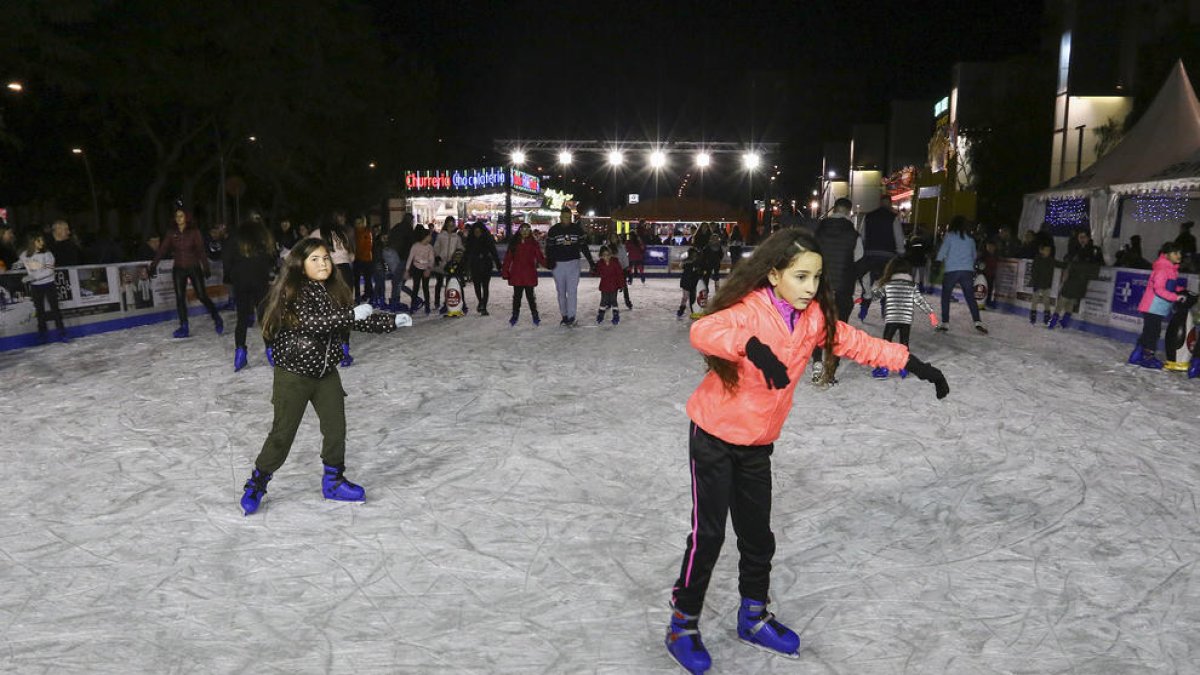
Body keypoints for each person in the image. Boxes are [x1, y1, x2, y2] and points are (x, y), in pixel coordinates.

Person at [664, 228, 949, 674]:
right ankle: (682, 624)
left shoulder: (813, 319)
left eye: (816, 277)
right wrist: (751, 347)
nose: (810, 287)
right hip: (714, 437)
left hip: (757, 444)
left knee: (758, 537)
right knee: (710, 535)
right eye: (800, 277)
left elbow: (856, 343)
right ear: (774, 274)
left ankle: (753, 615)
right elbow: (705, 330)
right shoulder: (749, 309)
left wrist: (913, 363)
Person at [238, 238, 412, 515]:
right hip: (293, 374)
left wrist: (391, 321)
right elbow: (309, 323)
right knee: (282, 434)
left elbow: (354, 319)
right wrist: (350, 316)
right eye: (315, 259)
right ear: (300, 264)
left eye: (326, 258)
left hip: (325, 373)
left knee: (336, 428)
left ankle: (333, 481)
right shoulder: (292, 291)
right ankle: (257, 482)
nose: (323, 264)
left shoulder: (332, 290)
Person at [150, 208, 223, 338]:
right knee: (180, 297)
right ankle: (184, 326)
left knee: (201, 295)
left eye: (181, 216)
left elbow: (201, 251)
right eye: (177, 216)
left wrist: (206, 267)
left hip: (193, 267)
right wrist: (153, 265)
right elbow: (162, 249)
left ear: (186, 218)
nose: (178, 218)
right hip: (178, 269)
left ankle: (216, 317)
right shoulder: (172, 233)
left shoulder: (194, 232)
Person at [811, 197, 860, 383]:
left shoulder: (819, 231)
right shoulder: (854, 235)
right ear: (848, 212)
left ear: (834, 209)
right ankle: (830, 371)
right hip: (843, 289)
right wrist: (866, 289)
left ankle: (817, 362)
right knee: (839, 329)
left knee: (818, 325)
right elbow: (860, 261)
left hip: (820, 287)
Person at [867, 256, 938, 377]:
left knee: (886, 343)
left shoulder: (888, 284)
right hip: (906, 319)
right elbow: (920, 301)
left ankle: (883, 368)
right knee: (904, 344)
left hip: (892, 318)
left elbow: (875, 296)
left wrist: (866, 297)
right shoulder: (912, 285)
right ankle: (904, 368)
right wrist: (930, 313)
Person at [224, 221, 277, 371]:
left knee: (241, 318)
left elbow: (227, 260)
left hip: (240, 280)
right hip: (259, 279)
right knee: (264, 317)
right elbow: (271, 258)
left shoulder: (235, 238)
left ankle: (240, 352)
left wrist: (231, 275)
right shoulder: (262, 237)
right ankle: (271, 350)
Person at [1128, 241, 1189, 369]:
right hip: (1152, 307)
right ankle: (1148, 357)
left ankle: (1137, 355)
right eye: (1175, 253)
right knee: (1153, 333)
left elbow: (1169, 286)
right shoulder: (1162, 269)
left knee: (1148, 332)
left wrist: (1180, 290)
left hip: (1158, 308)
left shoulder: (1171, 270)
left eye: (1180, 253)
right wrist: (1176, 297)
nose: (1179, 256)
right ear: (1166, 255)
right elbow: (1159, 289)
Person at [934, 216, 987, 334]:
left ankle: (945, 323)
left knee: (946, 297)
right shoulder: (970, 239)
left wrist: (937, 262)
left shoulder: (950, 236)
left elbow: (943, 251)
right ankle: (977, 321)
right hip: (967, 271)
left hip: (952, 271)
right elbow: (974, 255)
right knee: (970, 297)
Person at [856, 194, 906, 320]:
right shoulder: (893, 218)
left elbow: (862, 236)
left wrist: (863, 252)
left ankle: (863, 311)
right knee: (886, 285)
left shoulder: (868, 216)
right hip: (888, 257)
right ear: (890, 203)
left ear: (880, 203)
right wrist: (901, 253)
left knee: (867, 286)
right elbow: (899, 237)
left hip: (870, 255)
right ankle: (885, 310)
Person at [545, 207, 596, 326]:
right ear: (560, 217)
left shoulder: (577, 229)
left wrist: (591, 261)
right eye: (564, 217)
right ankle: (564, 315)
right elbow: (549, 247)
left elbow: (583, 246)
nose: (566, 219)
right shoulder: (554, 230)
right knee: (561, 292)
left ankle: (571, 316)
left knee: (572, 291)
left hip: (573, 263)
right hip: (558, 264)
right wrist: (550, 260)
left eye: (568, 217)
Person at [17, 232, 68, 343]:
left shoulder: (47, 254)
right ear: (32, 241)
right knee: (40, 311)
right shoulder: (24, 255)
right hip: (35, 287)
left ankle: (61, 331)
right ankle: (42, 333)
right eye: (38, 240)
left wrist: (33, 277)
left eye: (42, 240)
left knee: (55, 309)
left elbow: (49, 271)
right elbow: (19, 264)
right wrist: (9, 267)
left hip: (49, 284)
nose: (42, 242)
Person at [1048, 230, 1105, 329]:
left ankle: (1056, 322)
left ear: (1088, 238)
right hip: (1073, 278)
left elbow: (1099, 264)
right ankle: (1061, 322)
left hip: (1080, 280)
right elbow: (1068, 260)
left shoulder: (1094, 250)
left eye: (1083, 237)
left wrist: (1087, 272)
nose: (1081, 239)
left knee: (1065, 300)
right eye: (1080, 237)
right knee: (1068, 301)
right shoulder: (1075, 248)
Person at [500, 222, 545, 326]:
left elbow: (540, 258)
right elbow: (508, 258)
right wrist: (505, 271)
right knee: (517, 297)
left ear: (530, 231)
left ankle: (535, 315)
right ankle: (515, 315)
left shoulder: (533, 243)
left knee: (531, 297)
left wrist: (549, 264)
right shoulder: (514, 243)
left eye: (527, 230)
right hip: (517, 275)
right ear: (519, 231)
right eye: (523, 230)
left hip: (529, 275)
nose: (525, 232)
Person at [465, 221, 502, 316]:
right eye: (475, 232)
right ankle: (481, 302)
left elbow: (493, 251)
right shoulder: (470, 240)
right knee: (477, 285)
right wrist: (464, 265)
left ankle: (483, 306)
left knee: (485, 286)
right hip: (475, 265)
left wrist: (498, 264)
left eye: (478, 232)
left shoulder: (487, 239)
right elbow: (466, 253)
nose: (477, 234)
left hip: (486, 265)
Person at [433, 216, 464, 313]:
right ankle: (437, 301)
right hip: (441, 262)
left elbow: (460, 248)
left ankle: (447, 302)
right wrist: (437, 256)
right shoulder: (441, 236)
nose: (451, 227)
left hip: (451, 264)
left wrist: (458, 257)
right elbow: (436, 247)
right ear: (446, 225)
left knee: (449, 283)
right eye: (449, 225)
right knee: (439, 282)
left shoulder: (457, 237)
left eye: (452, 225)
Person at [404, 225, 435, 315]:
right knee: (416, 287)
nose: (430, 237)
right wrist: (407, 270)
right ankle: (413, 305)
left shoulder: (430, 247)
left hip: (426, 268)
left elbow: (431, 259)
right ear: (425, 237)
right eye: (429, 236)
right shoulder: (415, 246)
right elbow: (410, 258)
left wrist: (428, 269)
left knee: (426, 288)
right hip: (416, 268)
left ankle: (427, 306)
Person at [594, 245, 626, 325]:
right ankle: (601, 315)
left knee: (613, 300)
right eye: (604, 255)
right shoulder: (600, 263)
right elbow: (597, 272)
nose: (606, 257)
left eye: (608, 255)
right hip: (604, 286)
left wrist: (621, 285)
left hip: (613, 286)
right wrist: (593, 271)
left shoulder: (615, 262)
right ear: (601, 256)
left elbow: (620, 274)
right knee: (603, 300)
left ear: (610, 254)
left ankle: (616, 315)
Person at [1028, 243, 1057, 326]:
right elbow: (1033, 271)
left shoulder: (1051, 260)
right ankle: (1033, 316)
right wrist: (1034, 282)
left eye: (1049, 250)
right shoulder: (1037, 259)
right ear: (1041, 250)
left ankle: (1047, 317)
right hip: (1037, 283)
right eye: (1046, 250)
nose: (1048, 252)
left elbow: (1058, 264)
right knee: (1035, 300)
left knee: (1046, 301)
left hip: (1046, 284)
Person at [607, 232, 633, 310]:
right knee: (613, 288)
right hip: (613, 270)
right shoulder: (609, 248)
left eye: (615, 237)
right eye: (612, 238)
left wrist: (627, 267)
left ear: (617, 238)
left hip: (623, 269)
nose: (613, 239)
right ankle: (610, 302)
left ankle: (628, 302)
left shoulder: (622, 246)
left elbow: (625, 257)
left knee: (624, 286)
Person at [676, 245, 703, 318]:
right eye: (692, 254)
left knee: (692, 297)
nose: (694, 256)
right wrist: (684, 261)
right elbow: (680, 266)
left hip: (693, 281)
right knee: (685, 297)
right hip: (686, 280)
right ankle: (681, 310)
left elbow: (700, 271)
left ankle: (693, 311)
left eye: (695, 254)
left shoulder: (698, 262)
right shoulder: (686, 262)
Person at [352, 216, 374, 303]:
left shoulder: (366, 232)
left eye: (359, 223)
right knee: (357, 278)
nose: (358, 225)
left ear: (363, 223)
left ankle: (368, 294)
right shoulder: (355, 232)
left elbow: (368, 246)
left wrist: (361, 256)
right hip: (357, 258)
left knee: (367, 278)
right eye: (356, 223)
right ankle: (358, 295)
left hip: (366, 259)